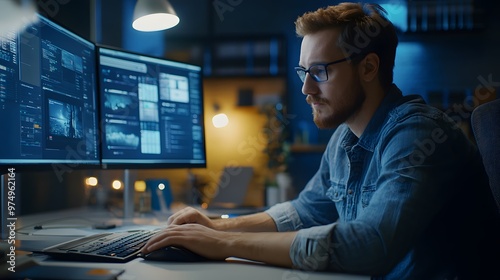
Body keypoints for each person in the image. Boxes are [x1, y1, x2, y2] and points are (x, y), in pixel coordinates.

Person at [142, 2, 499, 279]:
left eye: (320, 72)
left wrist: (225, 243)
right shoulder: (346, 136)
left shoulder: (417, 134)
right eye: (303, 72)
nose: (306, 89)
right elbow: (307, 211)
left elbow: (372, 245)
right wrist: (215, 225)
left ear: (369, 67)